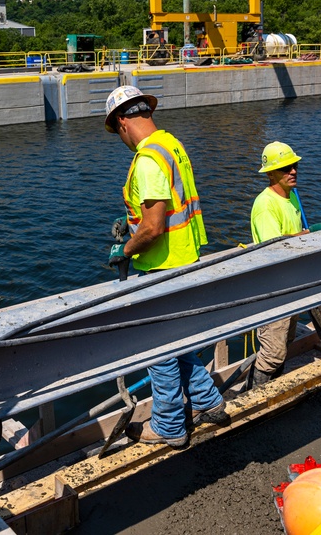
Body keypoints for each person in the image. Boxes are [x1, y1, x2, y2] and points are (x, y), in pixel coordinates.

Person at [104, 85, 228, 448]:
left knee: (158, 351)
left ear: (122, 121)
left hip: (161, 267)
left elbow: (155, 227)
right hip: (186, 259)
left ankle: (170, 426)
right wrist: (133, 223)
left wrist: (124, 248)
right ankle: (208, 402)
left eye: (117, 132)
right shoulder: (172, 145)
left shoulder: (146, 160)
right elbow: (170, 209)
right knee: (179, 343)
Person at [248, 141, 310, 388]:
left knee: (286, 342)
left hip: (291, 282)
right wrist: (304, 238)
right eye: (285, 168)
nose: (293, 171)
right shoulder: (265, 205)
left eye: (293, 166)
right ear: (270, 173)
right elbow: (274, 248)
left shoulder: (292, 196)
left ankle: (273, 391)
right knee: (272, 353)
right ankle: (252, 398)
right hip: (273, 288)